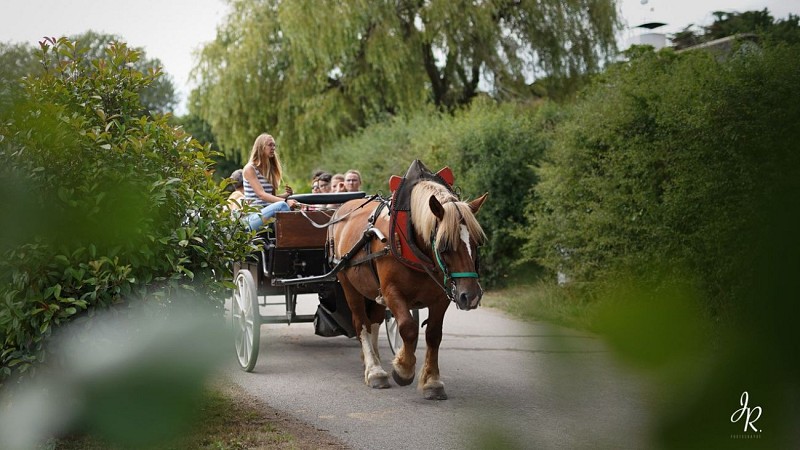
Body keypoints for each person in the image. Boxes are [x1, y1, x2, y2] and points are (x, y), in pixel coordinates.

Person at [242, 133, 297, 231]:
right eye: (270, 145)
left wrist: (286, 195)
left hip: (266, 212)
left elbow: (270, 198)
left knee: (293, 205)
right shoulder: (250, 169)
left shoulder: (270, 170)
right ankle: (290, 237)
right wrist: (285, 201)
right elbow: (261, 195)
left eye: (274, 145)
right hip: (252, 217)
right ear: (261, 147)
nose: (273, 148)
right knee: (282, 205)